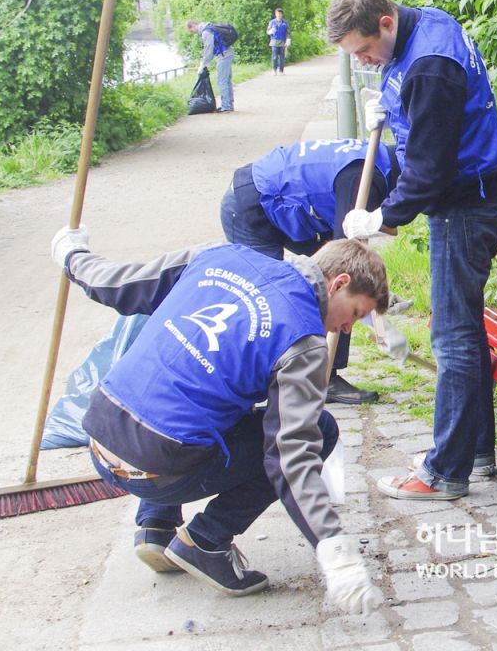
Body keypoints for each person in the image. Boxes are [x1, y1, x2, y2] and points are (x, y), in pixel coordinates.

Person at [52, 227, 386, 612]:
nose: (346, 329)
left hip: (102, 436)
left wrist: (72, 253)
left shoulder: (218, 256)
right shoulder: (303, 343)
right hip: (158, 469)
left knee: (212, 383)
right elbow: (290, 455)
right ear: (338, 282)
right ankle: (207, 543)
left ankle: (155, 526)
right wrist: (333, 546)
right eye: (355, 314)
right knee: (320, 428)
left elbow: (118, 285)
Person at [326, 0, 497, 501]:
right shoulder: (419, 26)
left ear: (385, 21)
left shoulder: (429, 63)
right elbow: (416, 105)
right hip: (466, 199)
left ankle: (443, 473)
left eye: (365, 51)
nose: (364, 61)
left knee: (451, 338)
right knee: (464, 331)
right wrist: (387, 100)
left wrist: (384, 218)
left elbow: (429, 169)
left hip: (463, 207)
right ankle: (473, 451)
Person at [221, 137, 399, 404]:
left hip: (291, 211)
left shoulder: (378, 162)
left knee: (323, 282)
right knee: (265, 302)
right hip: (252, 206)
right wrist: (382, 327)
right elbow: (346, 262)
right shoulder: (364, 177)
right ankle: (255, 384)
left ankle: (326, 374)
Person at [187, 20, 234, 112]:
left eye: (191, 31)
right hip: (227, 54)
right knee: (227, 81)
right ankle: (229, 104)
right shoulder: (210, 27)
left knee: (221, 81)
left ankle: (226, 106)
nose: (193, 33)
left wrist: (204, 65)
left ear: (192, 26)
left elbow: (208, 49)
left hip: (223, 56)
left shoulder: (206, 32)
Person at [267, 8, 290, 75]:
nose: (279, 15)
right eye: (277, 14)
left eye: (280, 14)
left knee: (282, 57)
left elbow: (288, 32)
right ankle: (274, 70)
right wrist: (270, 31)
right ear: (275, 14)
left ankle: (281, 71)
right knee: (274, 57)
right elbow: (267, 31)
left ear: (282, 14)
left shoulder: (285, 22)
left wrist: (288, 40)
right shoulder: (272, 22)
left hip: (282, 41)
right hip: (274, 41)